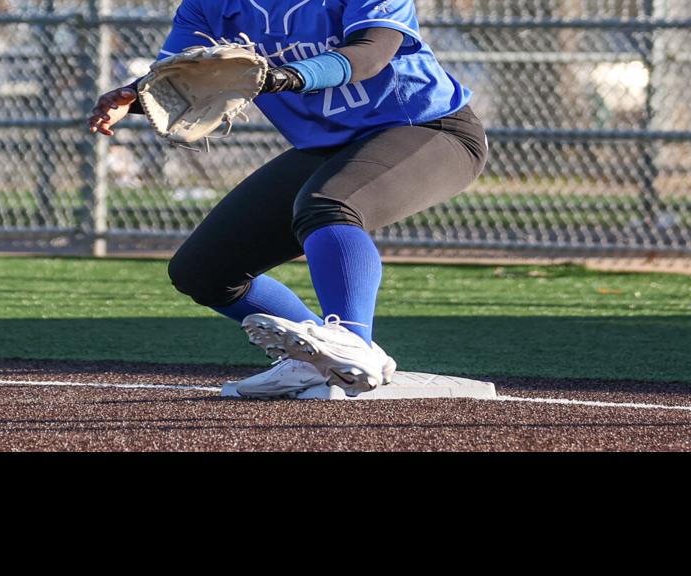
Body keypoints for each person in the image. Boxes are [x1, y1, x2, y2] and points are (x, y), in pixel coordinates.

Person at [87, 0, 486, 397]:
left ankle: (351, 339)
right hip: (327, 147)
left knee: (328, 205)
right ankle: (318, 359)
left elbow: (371, 54)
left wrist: (284, 77)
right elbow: (178, 80)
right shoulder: (208, 5)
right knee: (202, 272)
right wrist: (132, 97)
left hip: (428, 128)